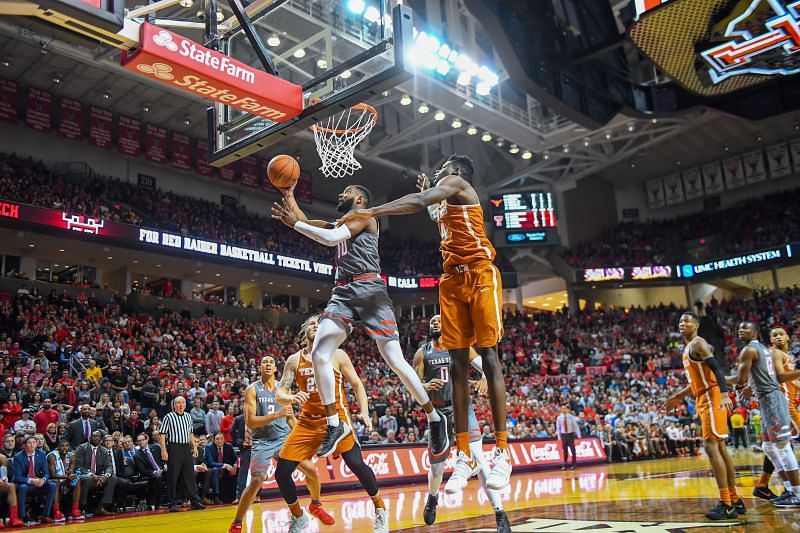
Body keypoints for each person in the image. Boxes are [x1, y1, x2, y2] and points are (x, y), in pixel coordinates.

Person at [336, 155, 510, 491]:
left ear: (455, 172)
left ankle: (502, 451)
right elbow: (433, 210)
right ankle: (466, 456)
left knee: (488, 356)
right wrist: (431, 191)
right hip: (451, 281)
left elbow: (419, 202)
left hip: (479, 274)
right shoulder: (446, 199)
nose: (437, 171)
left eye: (442, 168)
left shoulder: (460, 184)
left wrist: (373, 211)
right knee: (458, 363)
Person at [271, 184, 448, 459]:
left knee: (394, 360)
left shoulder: (365, 216)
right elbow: (306, 223)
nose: (340, 194)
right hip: (342, 293)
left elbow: (327, 238)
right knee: (319, 353)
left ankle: (435, 418)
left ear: (360, 198)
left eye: (347, 191)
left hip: (370, 289)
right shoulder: (340, 221)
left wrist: (295, 225)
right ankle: (335, 424)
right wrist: (290, 194)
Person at [272, 315, 387, 533]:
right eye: (312, 324)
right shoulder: (294, 360)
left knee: (356, 465)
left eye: (320, 324)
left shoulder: (337, 354)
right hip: (307, 422)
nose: (316, 326)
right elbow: (280, 393)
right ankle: (298, 517)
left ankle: (380, 509)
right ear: (304, 330)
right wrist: (291, 398)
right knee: (282, 472)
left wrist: (364, 412)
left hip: (336, 420)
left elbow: (357, 384)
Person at [412, 315, 509, 531]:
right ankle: (433, 497)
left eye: (438, 320)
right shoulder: (422, 352)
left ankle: (500, 513)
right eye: (432, 322)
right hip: (438, 412)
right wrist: (424, 386)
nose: (435, 323)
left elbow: (485, 364)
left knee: (479, 459)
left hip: (462, 407)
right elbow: (414, 382)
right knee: (437, 469)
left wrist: (485, 377)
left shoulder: (460, 345)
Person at [229, 350, 334, 533]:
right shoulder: (252, 390)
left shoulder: (282, 390)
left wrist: (305, 438)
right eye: (264, 362)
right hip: (262, 441)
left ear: (276, 368)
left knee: (311, 469)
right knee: (256, 480)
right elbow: (250, 421)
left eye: (271, 362)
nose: (268, 364)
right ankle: (237, 523)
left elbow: (291, 419)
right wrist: (276, 415)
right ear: (260, 367)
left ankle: (315, 505)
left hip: (284, 438)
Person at [665, 312, 738, 520]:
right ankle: (734, 499)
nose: (682, 323)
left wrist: (724, 394)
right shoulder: (688, 349)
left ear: (696, 325)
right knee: (720, 448)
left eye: (687, 320)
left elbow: (717, 368)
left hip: (712, 396)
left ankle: (726, 503)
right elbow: (696, 382)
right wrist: (677, 397)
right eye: (680, 321)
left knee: (710, 446)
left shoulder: (699, 344)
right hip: (704, 396)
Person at [728, 322, 800, 508]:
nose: (740, 330)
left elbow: (743, 378)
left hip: (775, 401)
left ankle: (796, 492)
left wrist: (715, 378)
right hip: (772, 400)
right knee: (769, 447)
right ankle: (789, 488)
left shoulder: (757, 350)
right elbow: (771, 375)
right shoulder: (770, 351)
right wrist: (752, 387)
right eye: (774, 334)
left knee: (783, 446)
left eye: (780, 334)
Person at [160, 396, 206, 513]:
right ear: (174, 405)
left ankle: (194, 501)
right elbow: (162, 435)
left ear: (185, 404)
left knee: (189, 474)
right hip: (174, 447)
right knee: (173, 475)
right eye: (178, 403)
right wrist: (163, 450)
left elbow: (190, 433)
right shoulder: (168, 417)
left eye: (183, 402)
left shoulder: (188, 416)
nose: (181, 405)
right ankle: (173, 502)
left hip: (186, 447)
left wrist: (194, 447)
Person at [12, 436, 57, 525]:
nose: (32, 445)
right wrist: (31, 480)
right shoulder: (18, 457)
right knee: (23, 487)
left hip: (38, 484)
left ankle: (45, 515)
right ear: (24, 445)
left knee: (52, 485)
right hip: (26, 483)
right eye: (29, 443)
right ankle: (23, 516)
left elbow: (46, 473)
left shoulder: (42, 454)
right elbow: (17, 477)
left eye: (33, 442)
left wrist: (43, 480)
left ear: (36, 444)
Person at [69, 430, 116, 517]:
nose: (96, 438)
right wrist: (90, 474)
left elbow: (108, 466)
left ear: (101, 439)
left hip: (98, 477)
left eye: (98, 436)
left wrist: (106, 476)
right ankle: (81, 507)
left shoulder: (104, 450)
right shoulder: (81, 448)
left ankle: (101, 507)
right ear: (90, 437)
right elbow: (78, 466)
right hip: (84, 475)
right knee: (87, 479)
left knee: (113, 479)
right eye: (94, 436)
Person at [202, 432, 236, 504]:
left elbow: (235, 459)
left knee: (237, 470)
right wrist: (225, 465)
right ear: (214, 440)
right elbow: (211, 463)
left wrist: (235, 466)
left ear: (224, 440)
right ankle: (216, 496)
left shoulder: (229, 446)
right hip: (213, 470)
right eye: (217, 439)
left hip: (226, 471)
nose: (219, 441)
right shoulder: (209, 447)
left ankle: (237, 495)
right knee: (215, 470)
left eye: (221, 438)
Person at [133, 433, 165, 510]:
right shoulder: (137, 456)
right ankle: (158, 504)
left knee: (175, 472)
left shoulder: (156, 447)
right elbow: (142, 471)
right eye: (138, 441)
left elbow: (162, 459)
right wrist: (155, 472)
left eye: (142, 440)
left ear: (146, 440)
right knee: (158, 477)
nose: (140, 442)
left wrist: (164, 467)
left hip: (162, 469)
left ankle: (177, 500)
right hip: (150, 474)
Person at [556, 406, 581, 470]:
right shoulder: (559, 418)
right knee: (565, 450)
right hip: (563, 435)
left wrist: (579, 435)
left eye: (565, 409)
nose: (563, 410)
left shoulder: (571, 417)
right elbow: (558, 428)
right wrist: (559, 437)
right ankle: (565, 464)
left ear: (567, 409)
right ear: (561, 410)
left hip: (570, 434)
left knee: (573, 450)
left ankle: (574, 464)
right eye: (562, 409)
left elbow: (575, 426)